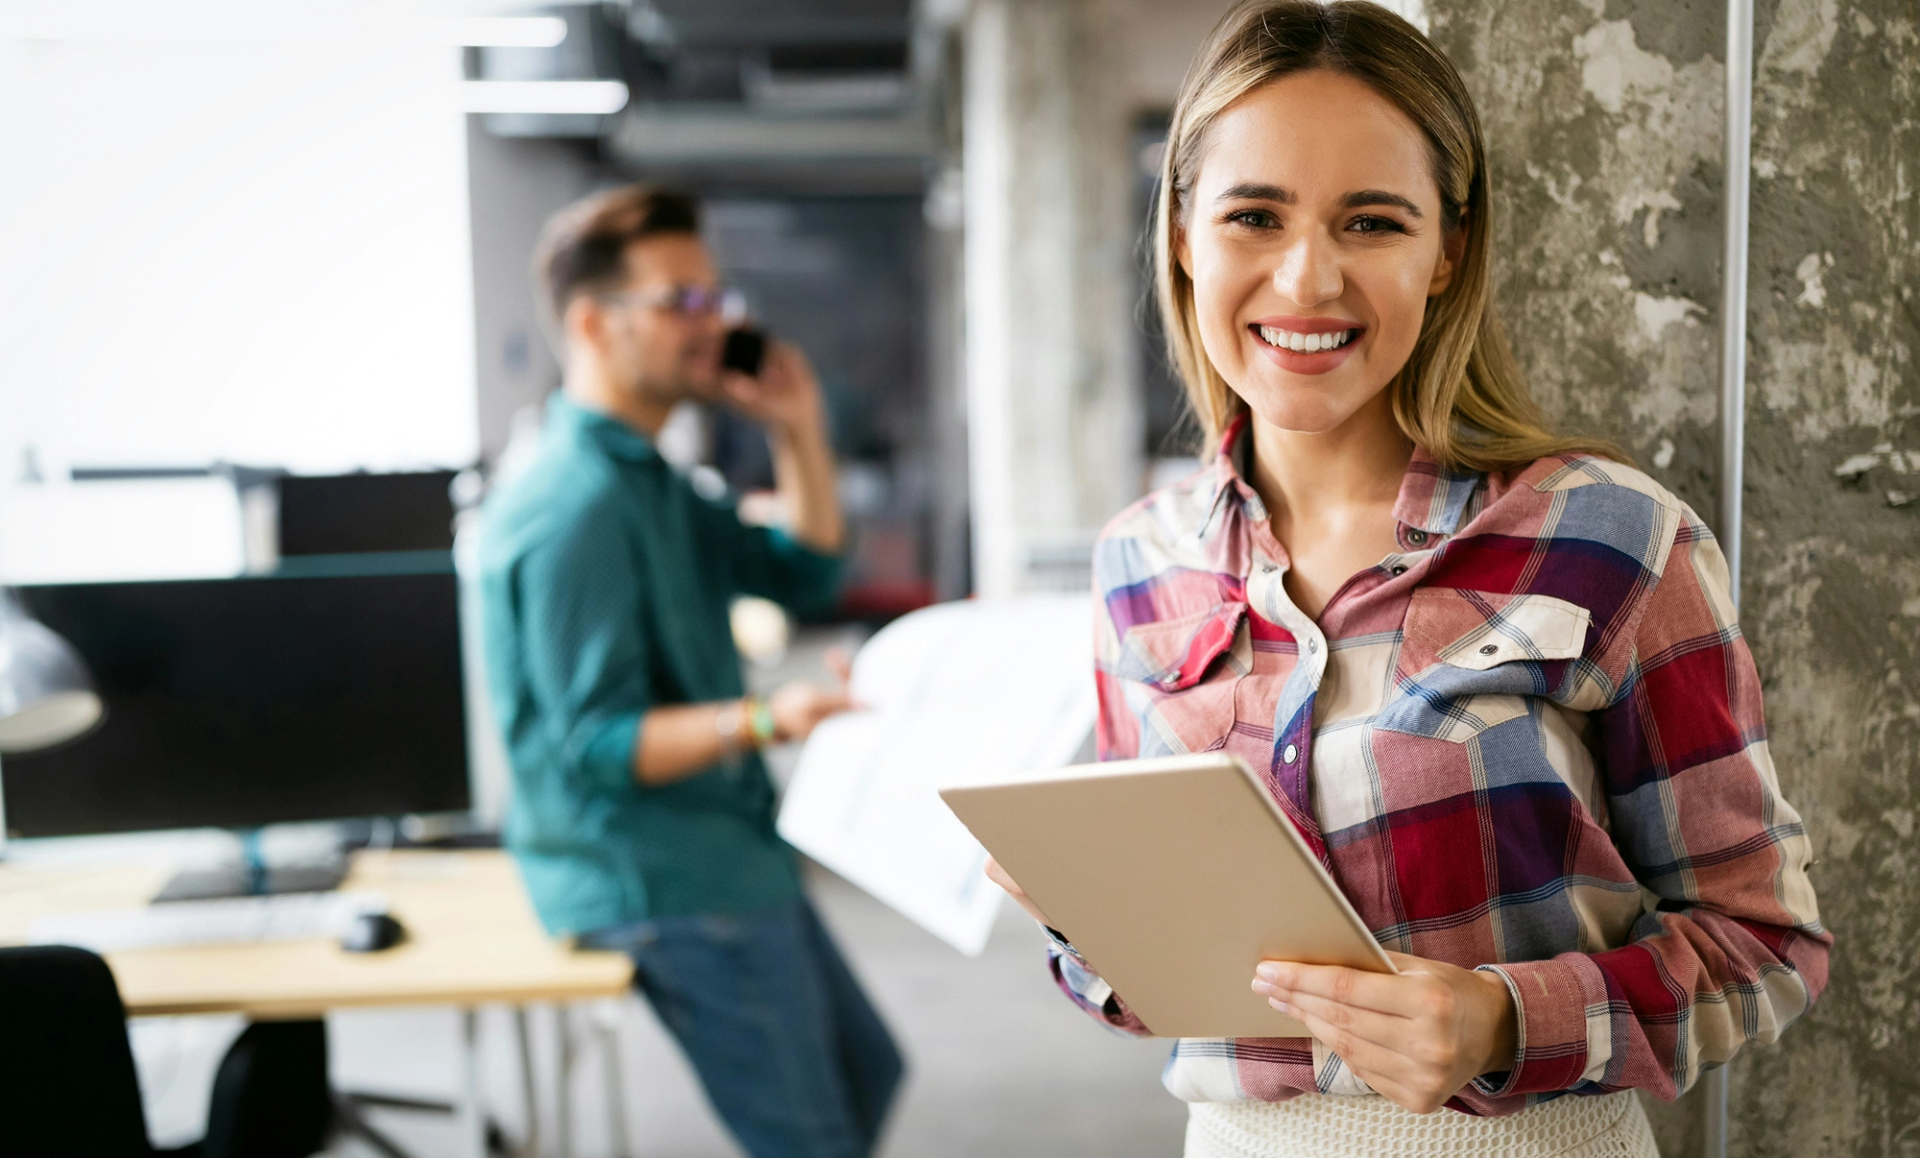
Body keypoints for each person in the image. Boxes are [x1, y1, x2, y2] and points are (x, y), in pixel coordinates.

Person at [986, 3, 1830, 1156]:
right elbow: (1170, 999)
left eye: (1371, 222)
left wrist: (1500, 1019)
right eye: (1254, 216)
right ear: (1184, 236)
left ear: (1447, 253)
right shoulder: (1143, 560)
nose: (1306, 276)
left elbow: (1768, 947)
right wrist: (1097, 929)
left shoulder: (1614, 541)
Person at [479, 185, 903, 1158]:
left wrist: (796, 429)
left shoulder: (647, 477)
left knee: (869, 1076)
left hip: (727, 844)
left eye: (716, 299)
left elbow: (803, 568)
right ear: (593, 323)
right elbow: (596, 745)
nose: (711, 327)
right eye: (682, 302)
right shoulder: (572, 507)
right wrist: (762, 722)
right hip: (659, 875)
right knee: (816, 1140)